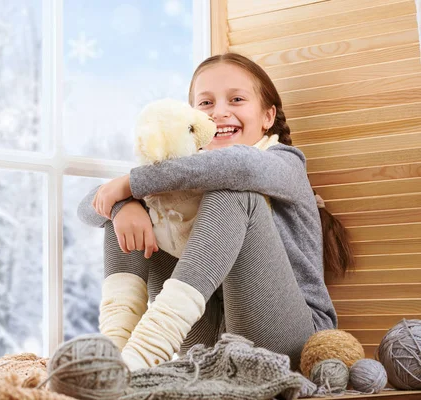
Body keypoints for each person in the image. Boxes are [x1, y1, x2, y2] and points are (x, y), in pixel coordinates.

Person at [77, 53, 353, 371]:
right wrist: (125, 204)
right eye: (205, 104)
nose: (220, 112)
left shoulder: (285, 162)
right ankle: (114, 355)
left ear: (267, 116)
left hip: (289, 340)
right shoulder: (180, 176)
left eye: (236, 99)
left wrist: (131, 183)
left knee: (232, 194)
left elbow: (238, 166)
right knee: (134, 210)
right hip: (208, 342)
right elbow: (89, 209)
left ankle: (148, 347)